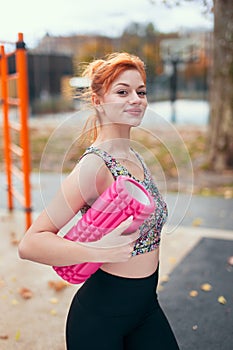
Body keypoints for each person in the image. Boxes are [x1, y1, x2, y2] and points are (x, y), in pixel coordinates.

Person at [18, 52, 180, 350]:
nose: (136, 99)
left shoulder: (134, 156)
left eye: (141, 91)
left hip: (146, 308)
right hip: (99, 320)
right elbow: (30, 243)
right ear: (98, 101)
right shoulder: (95, 166)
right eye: (122, 91)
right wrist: (93, 249)